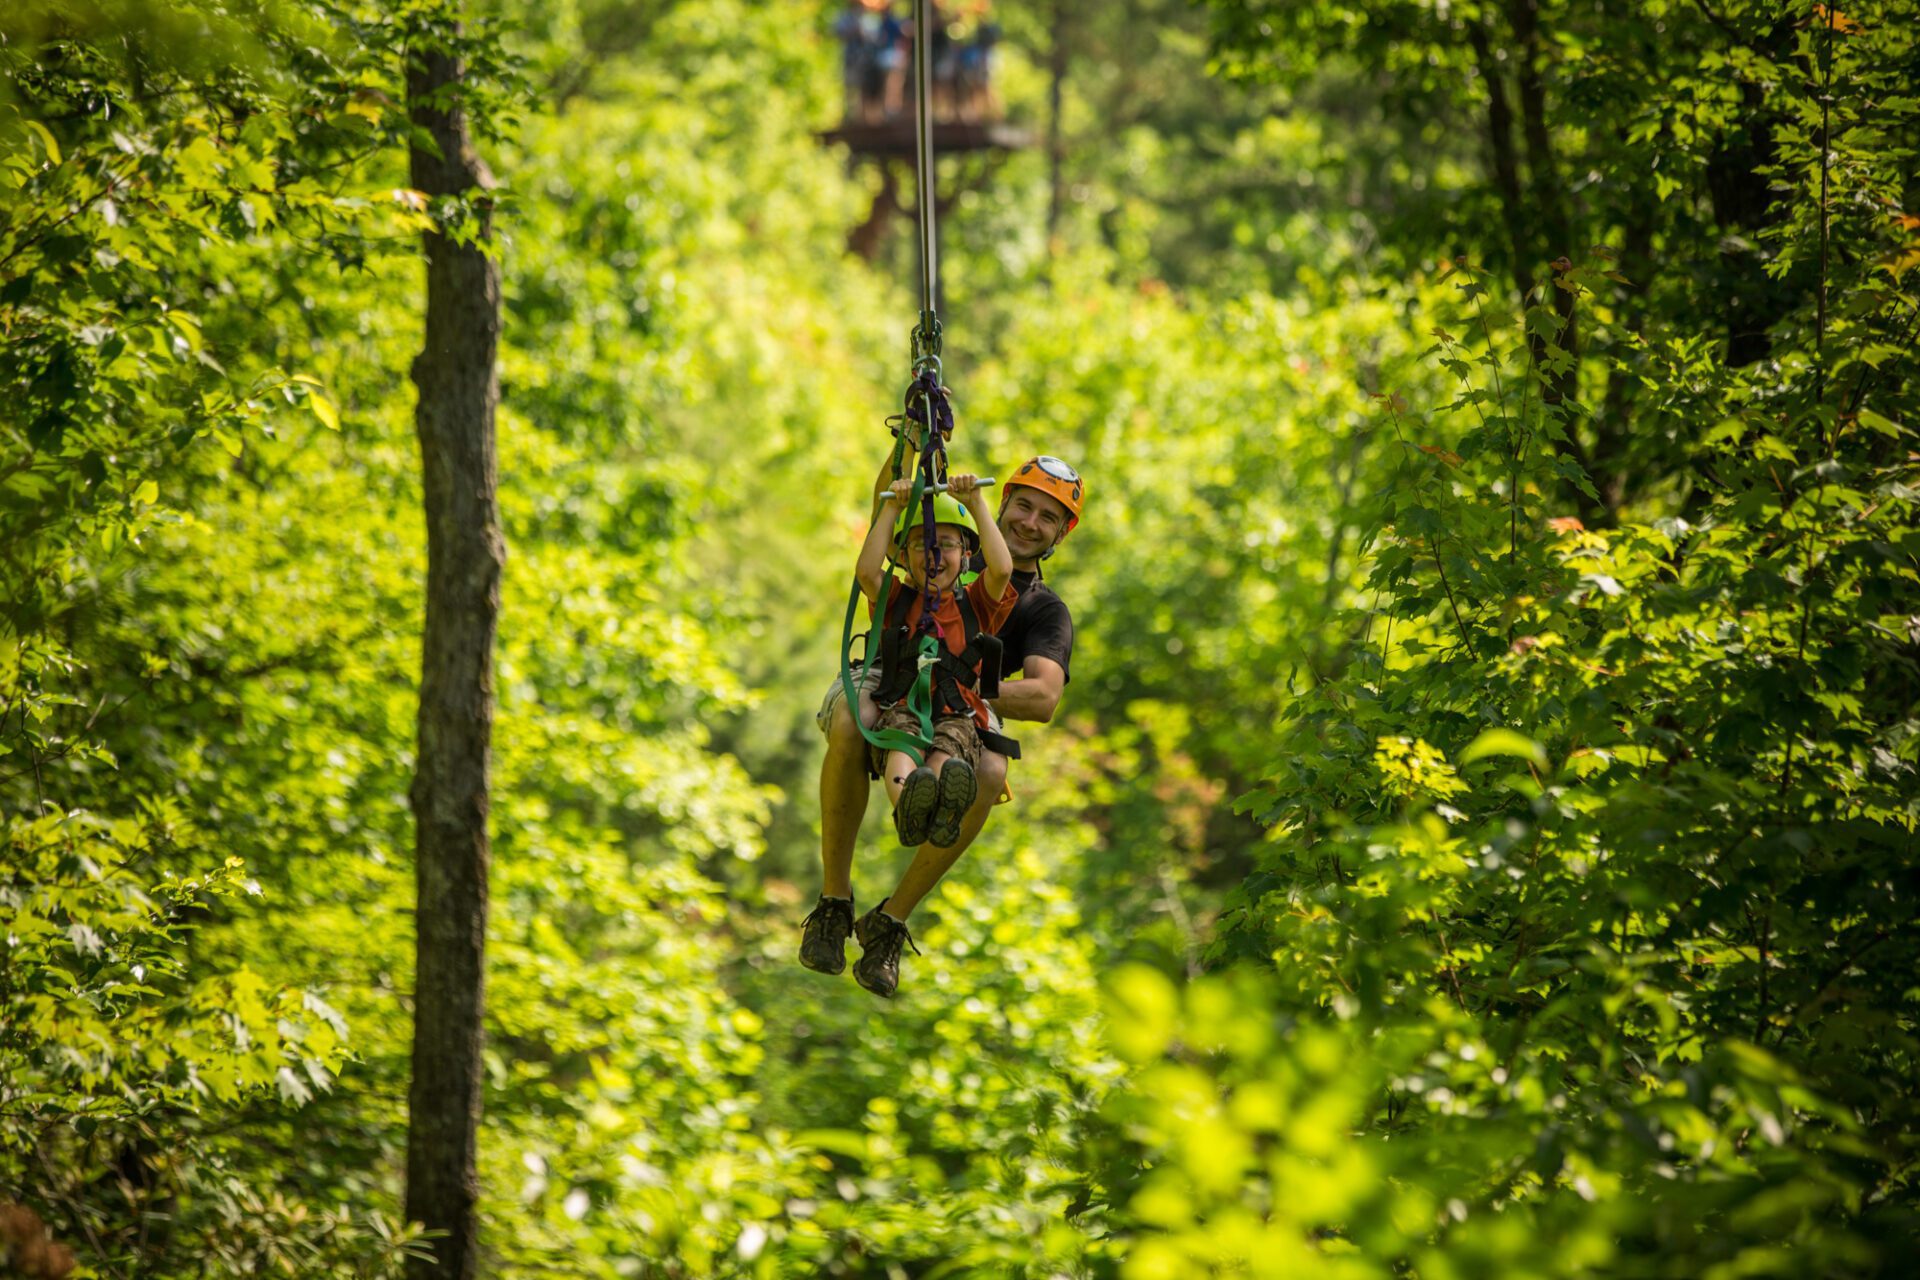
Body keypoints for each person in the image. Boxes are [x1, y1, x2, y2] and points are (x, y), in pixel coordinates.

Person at [803, 453, 1083, 998]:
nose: (1029, 522)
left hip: (960, 700)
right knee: (850, 718)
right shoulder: (945, 536)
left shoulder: (1041, 609)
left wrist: (956, 679)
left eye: (1046, 518)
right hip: (889, 669)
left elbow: (1044, 695)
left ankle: (890, 923)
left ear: (1060, 534)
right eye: (1023, 506)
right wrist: (908, 445)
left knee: (992, 768)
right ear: (1002, 504)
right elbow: (885, 512)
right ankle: (834, 901)